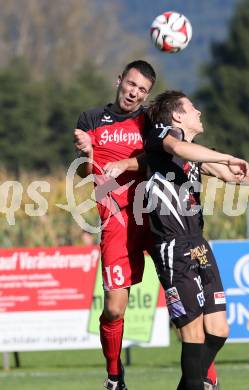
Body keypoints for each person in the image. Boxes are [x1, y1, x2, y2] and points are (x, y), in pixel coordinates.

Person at [141, 90, 249, 389]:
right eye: (192, 107)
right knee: (192, 333)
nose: (199, 111)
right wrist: (225, 155)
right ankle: (197, 383)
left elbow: (233, 174)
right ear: (177, 115)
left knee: (219, 330)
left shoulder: (195, 151)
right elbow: (179, 148)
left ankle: (193, 383)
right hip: (173, 244)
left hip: (198, 242)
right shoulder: (162, 137)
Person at [74, 60, 157, 390]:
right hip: (116, 223)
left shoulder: (149, 121)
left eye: (143, 90)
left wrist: (126, 162)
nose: (134, 92)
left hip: (154, 219)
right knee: (113, 308)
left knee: (184, 299)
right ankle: (114, 375)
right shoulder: (91, 119)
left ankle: (205, 377)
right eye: (131, 84)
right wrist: (86, 151)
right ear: (118, 80)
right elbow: (84, 172)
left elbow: (162, 155)